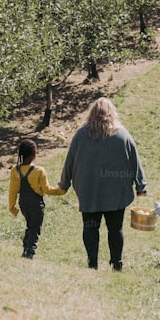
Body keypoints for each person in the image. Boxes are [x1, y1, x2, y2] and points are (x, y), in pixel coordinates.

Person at [59, 97, 147, 270]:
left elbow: (69, 161)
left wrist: (64, 183)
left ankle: (92, 263)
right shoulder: (122, 135)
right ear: (112, 114)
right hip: (116, 194)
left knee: (90, 228)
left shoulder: (81, 135)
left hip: (89, 192)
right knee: (115, 229)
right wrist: (141, 187)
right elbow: (135, 162)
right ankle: (117, 262)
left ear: (91, 114)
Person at [8, 138, 65, 259]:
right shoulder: (39, 171)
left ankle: (25, 248)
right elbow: (47, 190)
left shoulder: (15, 170)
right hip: (36, 205)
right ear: (34, 153)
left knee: (30, 226)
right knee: (35, 228)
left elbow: (13, 191)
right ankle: (29, 252)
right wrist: (61, 190)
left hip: (23, 204)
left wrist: (12, 207)